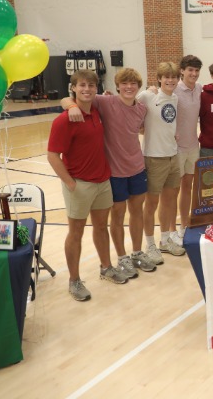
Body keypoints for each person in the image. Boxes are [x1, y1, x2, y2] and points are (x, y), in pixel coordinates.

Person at [61, 68, 156, 278]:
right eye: (124, 83)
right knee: (118, 216)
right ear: (117, 86)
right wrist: (71, 106)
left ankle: (137, 253)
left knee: (137, 212)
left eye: (133, 83)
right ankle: (122, 258)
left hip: (137, 168)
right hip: (114, 172)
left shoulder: (142, 109)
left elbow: (141, 128)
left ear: (138, 87)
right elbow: (69, 98)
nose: (129, 87)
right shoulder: (105, 102)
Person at [48, 70, 128, 301]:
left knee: (101, 227)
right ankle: (74, 281)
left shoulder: (96, 112)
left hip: (102, 181)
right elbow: (52, 156)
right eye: (82, 85)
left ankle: (106, 267)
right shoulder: (64, 119)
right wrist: (70, 184)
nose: (87, 89)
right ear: (73, 88)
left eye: (91, 85)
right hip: (79, 184)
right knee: (76, 233)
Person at [137, 62, 185, 264]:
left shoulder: (175, 98)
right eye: (166, 77)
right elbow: (127, 106)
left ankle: (165, 240)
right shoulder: (147, 96)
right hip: (154, 157)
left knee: (170, 200)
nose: (170, 80)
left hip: (173, 155)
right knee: (151, 203)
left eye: (174, 77)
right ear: (159, 79)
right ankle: (150, 244)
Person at [174, 55, 202, 244]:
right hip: (176, 148)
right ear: (182, 71)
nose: (193, 73)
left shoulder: (200, 89)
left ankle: (184, 225)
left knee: (187, 187)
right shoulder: (173, 89)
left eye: (196, 70)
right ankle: (170, 232)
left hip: (193, 146)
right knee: (172, 191)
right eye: (190, 70)